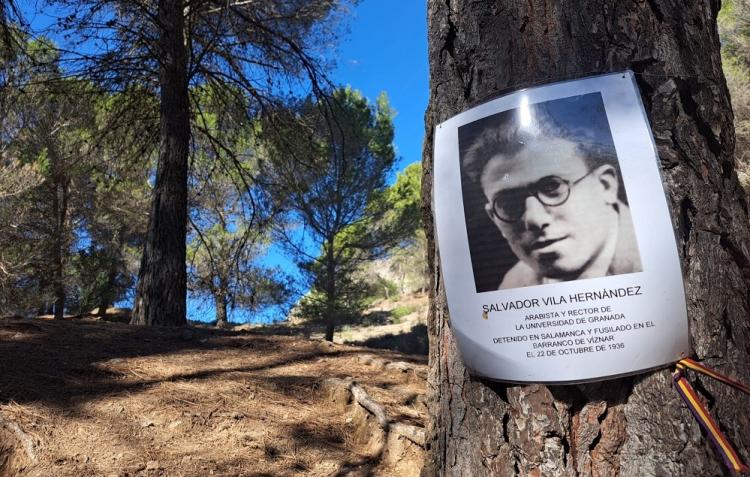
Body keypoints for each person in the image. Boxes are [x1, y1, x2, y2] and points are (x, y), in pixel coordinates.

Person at [462, 109, 642, 289]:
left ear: (605, 186)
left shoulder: (657, 259)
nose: (534, 219)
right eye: (508, 204)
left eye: (552, 187)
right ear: (494, 219)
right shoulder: (513, 285)